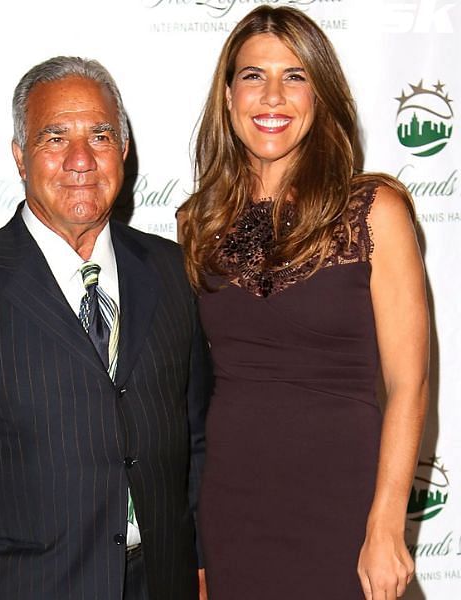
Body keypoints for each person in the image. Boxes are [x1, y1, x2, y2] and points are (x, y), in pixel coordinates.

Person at [0, 56, 211, 600]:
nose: (81, 159)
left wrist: (199, 563)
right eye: (55, 138)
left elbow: (196, 435)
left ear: (123, 152)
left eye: (100, 136)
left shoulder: (175, 272)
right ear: (19, 156)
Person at [177, 6, 428, 600]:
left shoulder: (375, 212)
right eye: (252, 76)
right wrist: (198, 547)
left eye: (294, 76)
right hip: (233, 506)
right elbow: (197, 392)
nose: (272, 96)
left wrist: (387, 525)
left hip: (344, 506)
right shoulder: (197, 223)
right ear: (229, 96)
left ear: (321, 94)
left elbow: (410, 383)